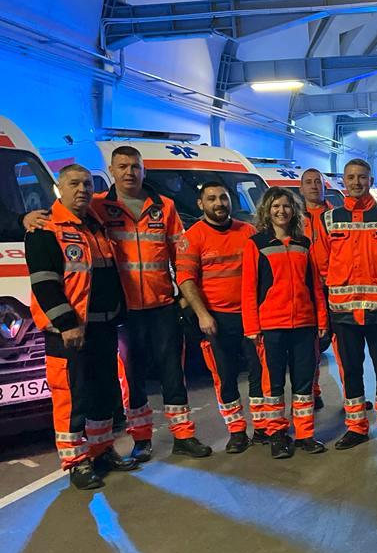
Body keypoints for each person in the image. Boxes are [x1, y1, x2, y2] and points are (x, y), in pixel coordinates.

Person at [91, 145, 209, 460]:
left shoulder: (164, 207)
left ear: (144, 171)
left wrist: (183, 296)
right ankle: (141, 439)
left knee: (173, 374)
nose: (129, 172)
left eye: (135, 166)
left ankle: (184, 436)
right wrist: (26, 217)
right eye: (122, 166)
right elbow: (62, 219)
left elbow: (180, 254)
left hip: (162, 306)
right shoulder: (97, 206)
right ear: (112, 171)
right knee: (133, 378)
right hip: (124, 310)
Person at [26, 164, 137, 489]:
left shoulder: (95, 224)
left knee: (103, 392)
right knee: (72, 398)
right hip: (68, 332)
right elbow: (45, 283)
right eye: (74, 183)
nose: (82, 190)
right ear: (59, 189)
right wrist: (66, 323)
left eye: (87, 184)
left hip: (102, 327)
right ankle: (76, 462)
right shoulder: (45, 229)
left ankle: (101, 451)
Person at [313, 159, 377, 450]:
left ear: (370, 181)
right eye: (351, 177)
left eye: (362, 177)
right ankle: (356, 427)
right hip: (343, 313)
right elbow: (322, 265)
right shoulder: (329, 219)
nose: (356, 182)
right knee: (350, 372)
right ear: (344, 180)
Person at [177, 181, 265, 454]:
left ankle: (262, 427)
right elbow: (186, 279)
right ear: (201, 204)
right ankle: (236, 431)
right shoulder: (192, 237)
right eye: (212, 198)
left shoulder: (248, 232)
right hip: (216, 319)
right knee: (224, 376)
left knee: (259, 373)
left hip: (250, 316)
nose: (219, 203)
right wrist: (203, 315)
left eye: (223, 198)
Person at [242, 188, 328, 458]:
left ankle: (304, 434)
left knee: (304, 383)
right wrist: (252, 327)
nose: (281, 211)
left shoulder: (304, 243)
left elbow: (315, 287)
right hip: (271, 326)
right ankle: (277, 435)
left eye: (286, 206)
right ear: (267, 211)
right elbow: (248, 289)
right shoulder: (255, 244)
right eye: (276, 206)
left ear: (294, 210)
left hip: (304, 324)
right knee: (273, 385)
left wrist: (321, 320)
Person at [299, 167, 332, 410]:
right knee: (310, 347)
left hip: (335, 287)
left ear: (324, 186)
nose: (313, 186)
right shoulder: (293, 218)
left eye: (317, 182)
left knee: (343, 348)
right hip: (306, 288)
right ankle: (313, 392)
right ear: (301, 189)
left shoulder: (336, 216)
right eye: (309, 182)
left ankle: (353, 396)